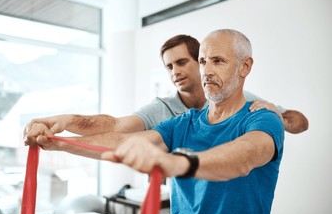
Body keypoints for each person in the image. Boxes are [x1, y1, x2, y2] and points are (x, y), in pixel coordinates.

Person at [24, 29, 287, 214]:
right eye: (204, 61)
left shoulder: (262, 117)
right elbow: (120, 136)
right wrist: (58, 141)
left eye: (217, 61)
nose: (206, 70)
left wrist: (179, 164)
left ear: (245, 67)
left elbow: (244, 157)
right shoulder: (182, 121)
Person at [23, 35, 308, 139]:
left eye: (182, 62)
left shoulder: (246, 102)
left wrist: (277, 115)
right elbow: (115, 126)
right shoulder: (162, 110)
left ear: (201, 63)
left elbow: (300, 123)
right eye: (169, 67)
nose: (175, 72)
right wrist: (63, 122)